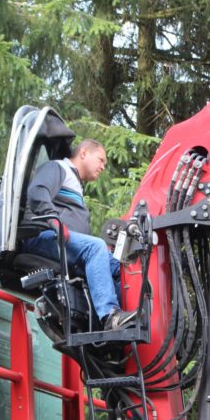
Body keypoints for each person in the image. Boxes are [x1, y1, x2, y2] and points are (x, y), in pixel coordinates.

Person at [20, 139, 136, 330]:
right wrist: (55, 221)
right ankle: (110, 315)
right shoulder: (58, 168)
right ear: (83, 153)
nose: (103, 167)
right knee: (95, 247)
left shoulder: (76, 185)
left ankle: (127, 319)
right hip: (42, 236)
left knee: (120, 266)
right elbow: (37, 191)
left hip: (63, 242)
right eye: (100, 160)